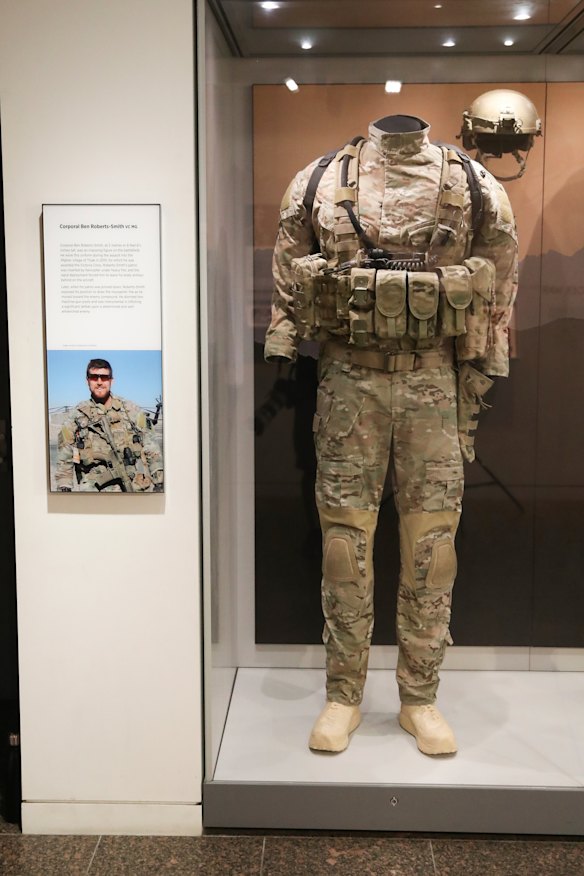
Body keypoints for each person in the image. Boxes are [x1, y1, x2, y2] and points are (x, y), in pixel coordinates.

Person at [265, 115, 518, 756]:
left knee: (433, 548)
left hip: (434, 385)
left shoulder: (472, 181)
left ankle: (419, 698)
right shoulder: (319, 181)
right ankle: (343, 694)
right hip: (349, 383)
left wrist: (484, 369)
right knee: (343, 546)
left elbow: (499, 274)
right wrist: (286, 340)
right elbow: (290, 269)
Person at [55, 358, 163, 492]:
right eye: (94, 377)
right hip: (92, 490)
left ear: (111, 381)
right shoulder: (77, 415)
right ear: (87, 381)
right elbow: (65, 455)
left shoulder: (131, 410)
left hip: (129, 487)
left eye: (104, 377)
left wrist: (159, 481)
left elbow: (151, 446)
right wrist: (64, 486)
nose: (99, 382)